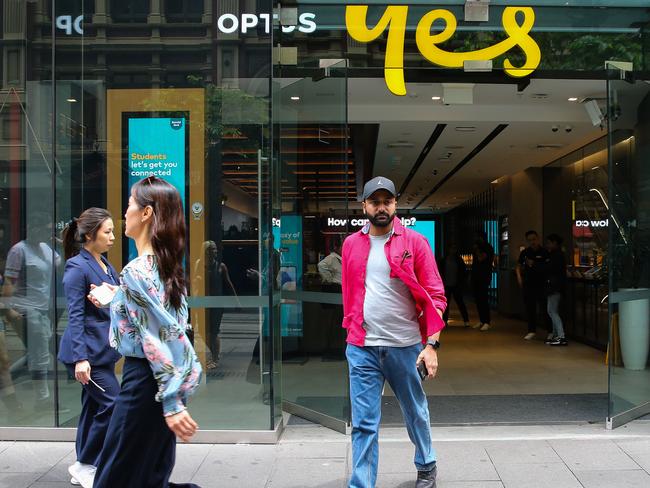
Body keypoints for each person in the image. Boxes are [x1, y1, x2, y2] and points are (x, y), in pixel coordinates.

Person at [89, 176, 202, 488]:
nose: (124, 212)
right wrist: (117, 296)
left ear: (147, 213)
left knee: (115, 479)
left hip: (143, 384)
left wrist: (171, 402)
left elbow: (158, 337)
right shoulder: (166, 269)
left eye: (129, 205)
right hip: (158, 386)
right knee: (149, 477)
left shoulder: (136, 272)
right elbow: (167, 324)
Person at [341, 176, 446, 488]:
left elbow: (436, 296)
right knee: (363, 423)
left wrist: (431, 346)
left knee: (415, 413)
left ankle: (427, 465)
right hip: (362, 348)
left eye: (387, 201)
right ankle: (361, 483)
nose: (381, 207)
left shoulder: (414, 242)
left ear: (396, 205)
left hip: (405, 347)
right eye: (375, 201)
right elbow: (350, 292)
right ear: (365, 206)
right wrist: (351, 329)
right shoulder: (351, 244)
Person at [58, 208, 122, 487]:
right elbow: (75, 315)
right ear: (89, 234)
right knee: (114, 404)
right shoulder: (77, 266)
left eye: (112, 231)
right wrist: (80, 359)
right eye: (107, 232)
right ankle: (85, 464)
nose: (112, 237)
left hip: (103, 351)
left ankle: (83, 465)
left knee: (93, 407)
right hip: (86, 355)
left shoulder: (106, 265)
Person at [2, 211, 60, 408]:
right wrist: (9, 310)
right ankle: (42, 399)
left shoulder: (46, 249)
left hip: (43, 308)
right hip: (26, 308)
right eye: (46, 230)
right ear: (34, 229)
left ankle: (7, 380)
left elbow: (62, 265)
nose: (48, 234)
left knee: (38, 352)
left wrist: (63, 243)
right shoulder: (19, 250)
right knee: (40, 352)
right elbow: (9, 281)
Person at [192, 240, 238, 370]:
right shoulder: (199, 264)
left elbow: (228, 284)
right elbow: (194, 283)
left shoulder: (221, 266)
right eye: (212, 249)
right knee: (201, 331)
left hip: (216, 304)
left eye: (215, 249)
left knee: (213, 332)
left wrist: (237, 301)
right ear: (205, 251)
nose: (215, 251)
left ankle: (215, 358)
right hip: (202, 303)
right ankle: (213, 355)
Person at [516, 230, 551, 341]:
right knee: (530, 308)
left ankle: (550, 331)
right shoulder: (525, 253)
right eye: (530, 240)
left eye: (534, 239)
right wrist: (519, 279)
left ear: (538, 238)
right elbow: (518, 266)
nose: (532, 242)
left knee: (545, 308)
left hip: (541, 284)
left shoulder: (545, 252)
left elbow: (548, 267)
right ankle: (531, 331)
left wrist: (535, 264)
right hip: (529, 284)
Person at [438, 243, 469, 327]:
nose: (453, 250)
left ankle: (466, 320)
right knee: (446, 304)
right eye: (451, 248)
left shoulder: (459, 260)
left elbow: (463, 272)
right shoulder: (444, 260)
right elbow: (440, 272)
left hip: (456, 285)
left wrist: (461, 283)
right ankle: (444, 321)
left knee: (460, 303)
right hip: (446, 285)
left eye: (454, 249)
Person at [544, 234, 568, 346]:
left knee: (552, 311)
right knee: (552, 311)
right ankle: (556, 335)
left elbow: (551, 269)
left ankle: (561, 336)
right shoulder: (557, 255)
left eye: (549, 242)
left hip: (554, 287)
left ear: (555, 243)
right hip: (555, 287)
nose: (547, 245)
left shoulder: (556, 256)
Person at [471, 232, 494, 331]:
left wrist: (477, 250)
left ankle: (487, 321)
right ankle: (482, 320)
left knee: (483, 299)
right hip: (476, 276)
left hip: (484, 277)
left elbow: (481, 258)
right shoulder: (478, 248)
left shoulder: (487, 248)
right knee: (478, 300)